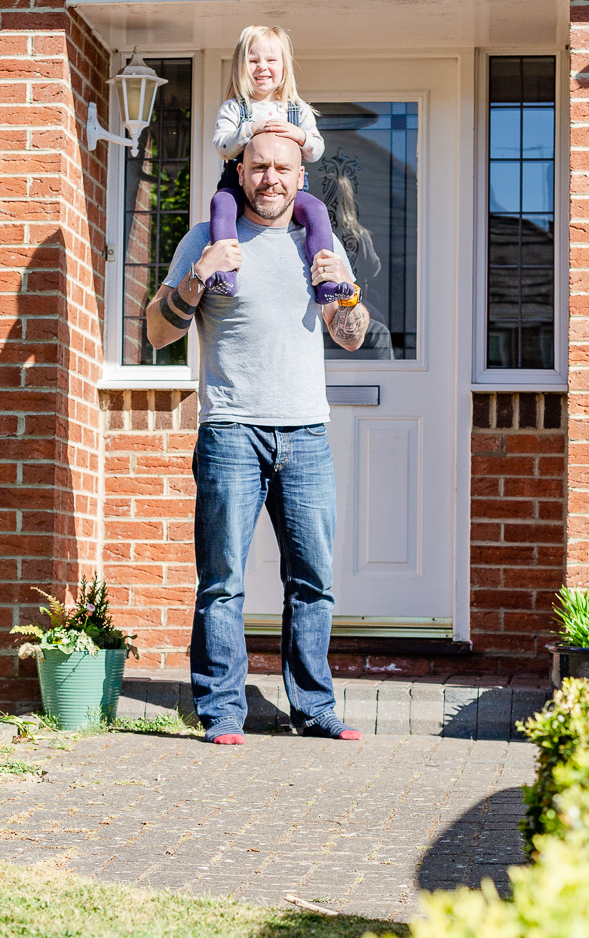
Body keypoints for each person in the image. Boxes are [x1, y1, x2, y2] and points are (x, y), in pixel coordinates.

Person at [146, 130, 370, 745]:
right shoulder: (207, 238)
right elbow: (158, 332)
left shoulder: (319, 244)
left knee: (313, 579)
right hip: (231, 431)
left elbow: (351, 334)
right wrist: (197, 278)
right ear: (240, 171)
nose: (270, 178)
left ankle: (315, 708)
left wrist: (343, 288)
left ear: (301, 177)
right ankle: (221, 709)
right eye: (259, 166)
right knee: (222, 579)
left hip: (306, 430)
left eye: (283, 168)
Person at [205, 24, 353, 304]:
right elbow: (221, 146)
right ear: (240, 67)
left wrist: (300, 135)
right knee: (221, 205)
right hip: (239, 186)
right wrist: (250, 129)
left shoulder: (297, 109)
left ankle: (325, 282)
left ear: (284, 67)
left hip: (290, 192)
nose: (262, 67)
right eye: (253, 60)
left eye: (271, 60)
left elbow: (316, 150)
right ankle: (226, 274)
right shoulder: (235, 108)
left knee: (317, 211)